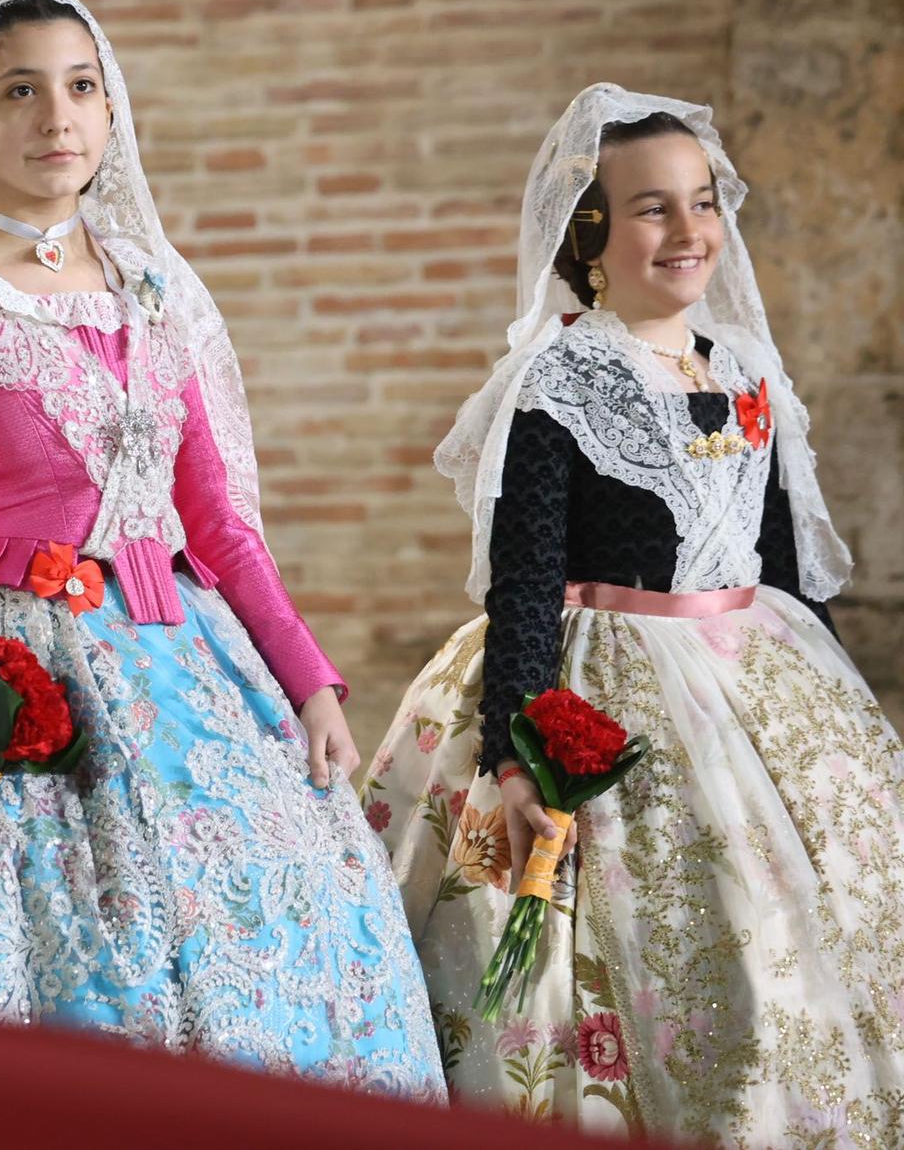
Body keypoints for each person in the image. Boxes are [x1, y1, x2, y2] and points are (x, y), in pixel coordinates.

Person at [0, 0, 443, 1097]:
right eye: (17, 91)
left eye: (78, 87)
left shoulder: (158, 291)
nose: (52, 117)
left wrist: (305, 680)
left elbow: (219, 523)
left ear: (111, 113)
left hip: (183, 660)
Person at [361, 83, 904, 1140]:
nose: (686, 229)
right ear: (590, 234)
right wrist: (518, 758)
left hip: (755, 669)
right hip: (601, 680)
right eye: (650, 207)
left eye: (701, 203)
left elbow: (782, 562)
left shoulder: (744, 369)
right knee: (658, 941)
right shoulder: (561, 378)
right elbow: (522, 577)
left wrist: (843, 729)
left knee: (818, 923)